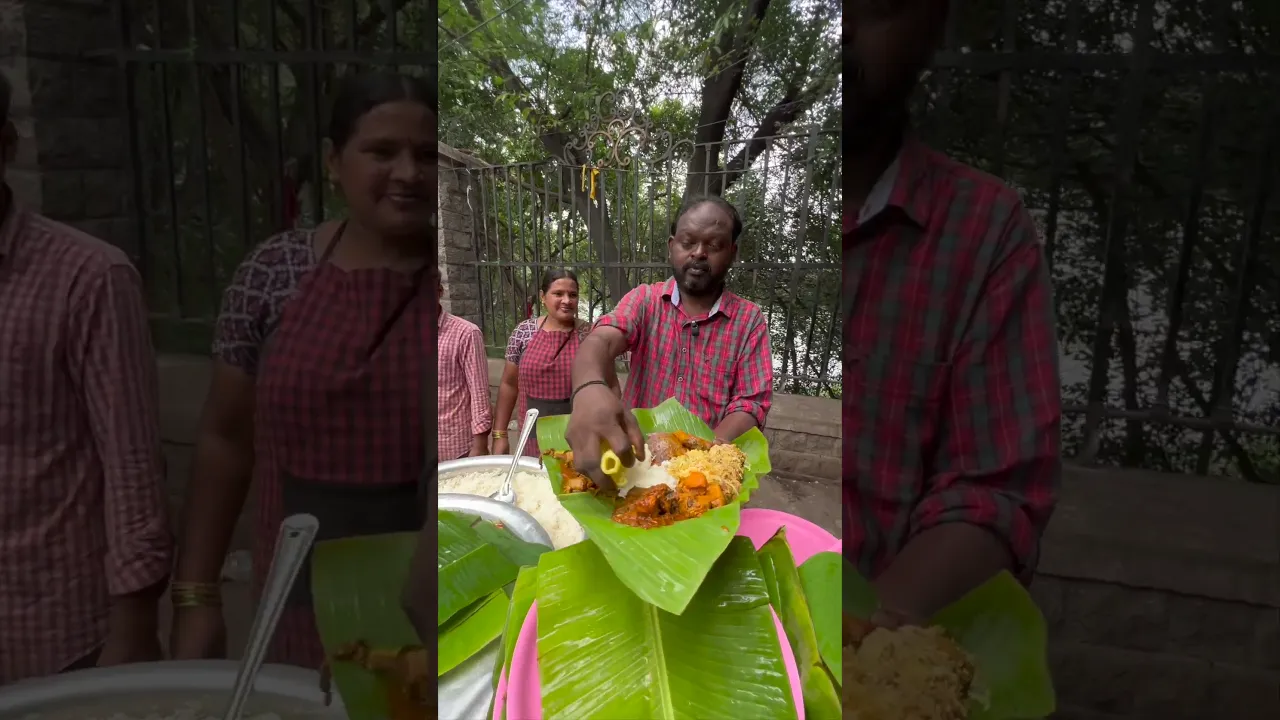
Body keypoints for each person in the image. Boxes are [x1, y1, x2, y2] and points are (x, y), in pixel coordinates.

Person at [167, 70, 437, 669]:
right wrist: (195, 596)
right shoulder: (273, 273)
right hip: (293, 601)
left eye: (424, 154)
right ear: (334, 162)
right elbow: (224, 440)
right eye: (381, 151)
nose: (408, 173)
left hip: (425, 604)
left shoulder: (448, 298)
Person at [846, 0, 1062, 629]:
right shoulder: (663, 293)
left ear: (932, 27)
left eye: (877, 7)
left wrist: (868, 639)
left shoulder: (987, 230)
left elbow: (996, 492)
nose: (842, 28)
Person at [0, 70, 172, 683]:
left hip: (59, 635)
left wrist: (133, 633)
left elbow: (131, 466)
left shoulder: (88, 278)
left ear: (7, 142)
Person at [563, 195, 773, 489]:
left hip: (702, 475)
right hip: (637, 464)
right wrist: (588, 387)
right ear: (672, 246)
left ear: (732, 252)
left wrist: (710, 450)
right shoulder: (645, 300)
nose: (699, 253)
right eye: (688, 242)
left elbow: (750, 402)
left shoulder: (748, 320)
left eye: (713, 246)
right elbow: (602, 339)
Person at [493, 269, 592, 457]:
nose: (566, 300)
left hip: (578, 437)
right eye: (558, 294)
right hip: (531, 437)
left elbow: (607, 384)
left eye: (572, 295)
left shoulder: (589, 334)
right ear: (543, 297)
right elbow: (509, 384)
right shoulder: (524, 332)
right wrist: (500, 435)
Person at [437, 273, 492, 460]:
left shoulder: (466, 334)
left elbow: (479, 394)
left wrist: (480, 446)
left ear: (439, 291)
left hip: (457, 447)